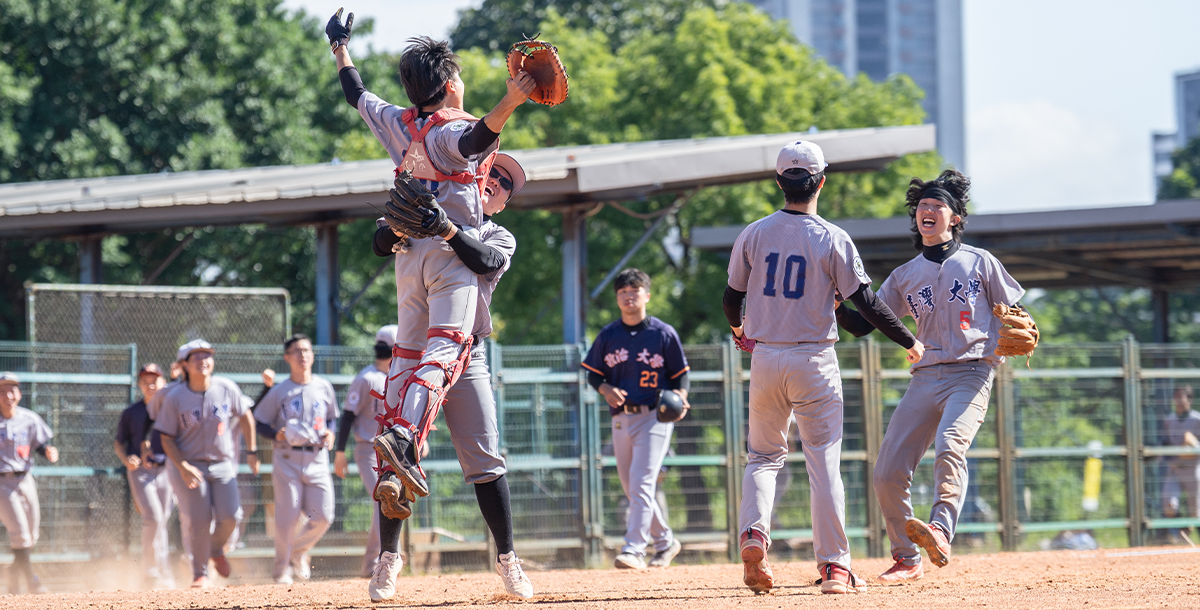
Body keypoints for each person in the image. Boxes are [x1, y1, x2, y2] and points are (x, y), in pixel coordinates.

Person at [325, 9, 535, 505]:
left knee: (405, 357)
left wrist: (339, 46)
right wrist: (510, 101)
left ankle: (394, 451)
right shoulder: (447, 130)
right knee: (445, 351)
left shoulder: (397, 123)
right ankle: (403, 437)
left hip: (408, 256)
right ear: (449, 85)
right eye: (457, 76)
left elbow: (356, 93)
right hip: (447, 254)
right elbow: (473, 140)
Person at [723, 141, 922, 595]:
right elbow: (866, 303)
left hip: (766, 358)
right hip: (813, 359)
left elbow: (732, 297)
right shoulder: (832, 237)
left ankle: (754, 533)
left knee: (763, 457)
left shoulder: (754, 233)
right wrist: (910, 340)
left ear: (779, 182)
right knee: (823, 462)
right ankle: (834, 567)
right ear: (821, 182)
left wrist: (739, 330)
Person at [366, 153, 535, 601]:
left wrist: (446, 228)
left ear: (503, 203)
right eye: (492, 172)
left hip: (464, 355)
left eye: (505, 183)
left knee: (485, 460)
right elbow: (380, 243)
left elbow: (484, 260)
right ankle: (388, 559)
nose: (496, 180)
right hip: (413, 353)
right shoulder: (426, 208)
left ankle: (508, 560)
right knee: (395, 454)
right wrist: (402, 223)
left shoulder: (496, 233)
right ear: (473, 176)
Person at [860, 169, 1028, 584]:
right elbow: (865, 322)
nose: (928, 210)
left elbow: (1017, 313)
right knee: (886, 472)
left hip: (971, 372)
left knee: (951, 444)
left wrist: (1023, 326)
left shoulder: (979, 261)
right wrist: (836, 300)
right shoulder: (904, 275)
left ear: (955, 218)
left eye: (938, 205)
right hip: (924, 378)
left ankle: (940, 528)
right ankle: (906, 558)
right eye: (923, 205)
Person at [582, 268, 689, 571]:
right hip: (621, 418)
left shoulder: (663, 333)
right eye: (622, 291)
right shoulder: (608, 335)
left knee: (642, 482)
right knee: (632, 487)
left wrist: (681, 395)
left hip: (655, 416)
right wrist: (605, 389)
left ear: (647, 295)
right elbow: (593, 374)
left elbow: (681, 375)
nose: (628, 295)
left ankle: (634, 549)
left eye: (634, 290)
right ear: (617, 298)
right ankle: (665, 541)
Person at [155, 340, 260, 588]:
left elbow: (246, 416)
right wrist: (183, 467)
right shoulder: (175, 397)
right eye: (196, 357)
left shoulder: (226, 387)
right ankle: (199, 573)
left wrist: (252, 451)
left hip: (223, 463)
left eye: (207, 356)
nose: (203, 360)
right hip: (190, 465)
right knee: (199, 520)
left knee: (232, 516)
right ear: (184, 365)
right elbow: (166, 438)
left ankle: (215, 548)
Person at [254, 334, 338, 584]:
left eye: (307, 350)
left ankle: (298, 551)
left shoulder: (324, 386)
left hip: (317, 457)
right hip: (287, 457)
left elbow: (332, 417)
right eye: (297, 351)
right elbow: (258, 421)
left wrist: (332, 432)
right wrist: (274, 434)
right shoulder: (280, 390)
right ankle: (281, 569)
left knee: (324, 516)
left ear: (312, 355)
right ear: (287, 357)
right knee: (287, 517)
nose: (303, 355)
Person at [334, 325, 398, 578]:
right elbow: (347, 415)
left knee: (393, 502)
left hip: (394, 450)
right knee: (383, 500)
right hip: (369, 449)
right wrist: (340, 452)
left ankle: (383, 559)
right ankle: (376, 562)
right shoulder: (366, 378)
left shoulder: (399, 377)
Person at [114, 363, 176, 589]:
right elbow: (118, 443)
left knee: (162, 521)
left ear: (163, 382)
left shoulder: (171, 407)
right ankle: (150, 570)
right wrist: (126, 459)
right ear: (139, 385)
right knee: (154, 518)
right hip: (140, 472)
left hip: (166, 469)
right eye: (145, 382)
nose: (150, 385)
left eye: (154, 381)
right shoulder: (132, 412)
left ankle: (163, 570)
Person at [0, 372, 58, 595]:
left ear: (19, 394)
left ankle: (14, 572)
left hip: (25, 479)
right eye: (3, 391)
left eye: (12, 390)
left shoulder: (28, 418)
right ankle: (32, 581)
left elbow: (40, 444)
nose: (8, 395)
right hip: (2, 483)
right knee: (20, 533)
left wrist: (48, 451)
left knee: (32, 535)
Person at [1161, 385, 1200, 544]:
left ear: (1189, 399)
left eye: (1181, 397)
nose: (1178, 400)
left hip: (1193, 467)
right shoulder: (1169, 420)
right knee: (1169, 504)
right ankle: (1182, 530)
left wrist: (1193, 446)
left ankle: (1189, 533)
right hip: (1175, 468)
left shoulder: (1197, 419)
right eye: (1176, 397)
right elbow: (1164, 444)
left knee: (1196, 510)